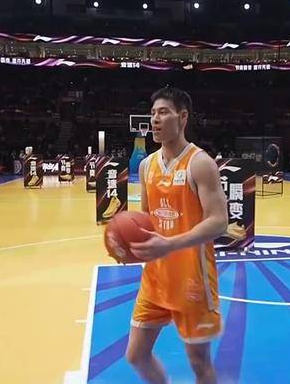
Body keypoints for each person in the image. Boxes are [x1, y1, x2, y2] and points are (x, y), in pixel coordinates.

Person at [109, 87, 228, 384]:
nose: (155, 119)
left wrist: (170, 244)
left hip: (192, 279)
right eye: (153, 114)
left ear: (183, 117)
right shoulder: (146, 165)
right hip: (156, 278)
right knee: (136, 355)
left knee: (199, 363)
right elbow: (145, 220)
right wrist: (126, 245)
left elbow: (219, 221)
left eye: (163, 112)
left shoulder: (200, 163)